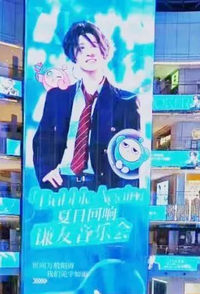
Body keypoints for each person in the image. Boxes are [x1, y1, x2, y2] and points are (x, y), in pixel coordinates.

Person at [34, 21, 140, 191]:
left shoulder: (126, 101)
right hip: (61, 185)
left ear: (103, 50)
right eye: (81, 48)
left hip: (104, 190)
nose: (90, 52)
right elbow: (42, 140)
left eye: (94, 45)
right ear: (73, 54)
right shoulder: (57, 97)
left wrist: (122, 195)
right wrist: (46, 172)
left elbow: (134, 155)